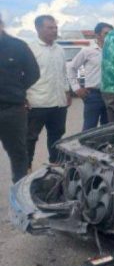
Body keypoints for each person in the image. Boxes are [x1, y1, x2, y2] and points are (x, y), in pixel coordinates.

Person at [27, 15, 71, 171]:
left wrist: (67, 91)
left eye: (55, 27)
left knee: (57, 136)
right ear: (38, 28)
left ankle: (55, 164)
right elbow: (21, 76)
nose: (54, 30)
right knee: (30, 138)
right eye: (50, 28)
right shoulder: (30, 49)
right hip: (37, 102)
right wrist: (23, 97)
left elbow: (63, 72)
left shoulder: (59, 49)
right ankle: (26, 168)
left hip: (58, 103)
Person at [0, 14, 40, 182]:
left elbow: (33, 73)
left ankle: (19, 195)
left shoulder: (18, 46)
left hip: (12, 110)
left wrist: (16, 90)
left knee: (18, 155)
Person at [68, 22, 113, 130]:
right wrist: (76, 88)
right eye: (106, 33)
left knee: (108, 129)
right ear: (97, 35)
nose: (110, 37)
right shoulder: (88, 51)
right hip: (93, 95)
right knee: (89, 128)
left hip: (111, 96)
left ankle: (107, 147)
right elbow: (71, 68)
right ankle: (85, 147)